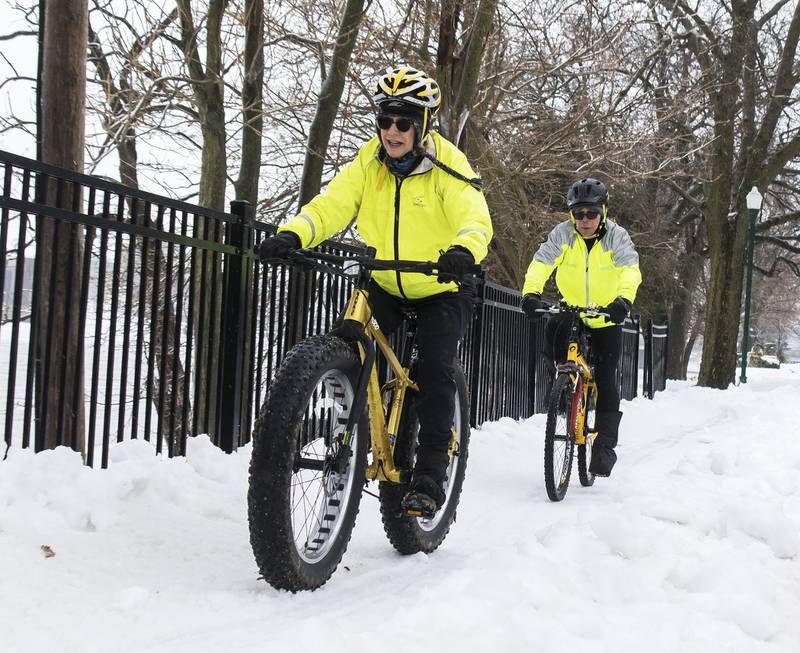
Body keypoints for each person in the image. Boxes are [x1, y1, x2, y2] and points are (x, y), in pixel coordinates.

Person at [259, 65, 493, 516]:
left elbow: (474, 216)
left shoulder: (448, 164)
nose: (392, 131)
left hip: (443, 283)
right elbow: (333, 204)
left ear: (423, 124)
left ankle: (428, 474)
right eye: (385, 119)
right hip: (384, 278)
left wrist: (464, 250)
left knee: (434, 369)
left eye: (404, 121)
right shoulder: (369, 162)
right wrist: (295, 234)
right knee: (349, 341)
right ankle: (348, 422)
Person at [520, 178, 641, 477]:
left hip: (605, 315)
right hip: (571, 308)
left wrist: (622, 301)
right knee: (551, 340)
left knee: (606, 378)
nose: (584, 220)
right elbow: (541, 263)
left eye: (591, 213)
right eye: (578, 214)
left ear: (603, 211)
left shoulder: (617, 237)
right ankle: (562, 391)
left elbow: (630, 270)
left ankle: (604, 447)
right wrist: (530, 293)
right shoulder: (563, 234)